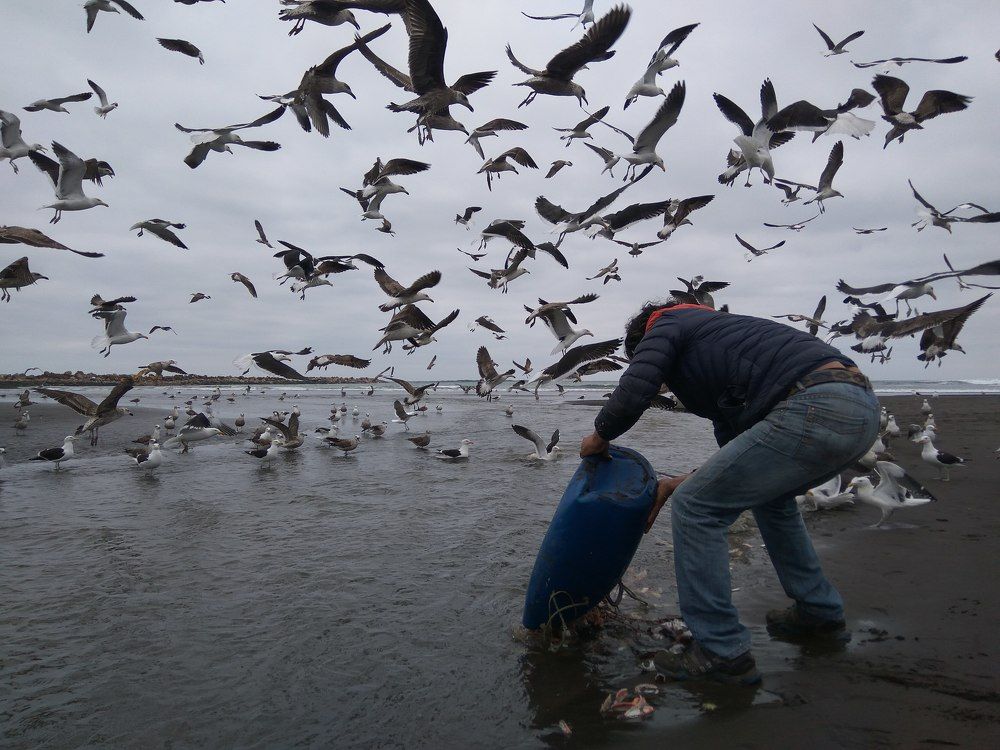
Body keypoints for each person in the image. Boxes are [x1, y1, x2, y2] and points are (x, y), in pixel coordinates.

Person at [580, 299, 880, 684]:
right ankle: (818, 612)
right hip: (859, 409)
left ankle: (720, 651)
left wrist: (599, 435)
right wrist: (673, 481)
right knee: (770, 500)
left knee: (695, 508)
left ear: (643, 337)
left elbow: (639, 383)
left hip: (813, 404)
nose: (669, 384)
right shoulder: (726, 346)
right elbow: (739, 462)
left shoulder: (667, 322)